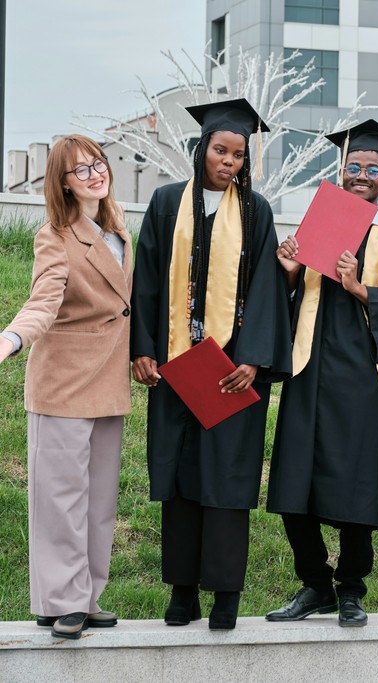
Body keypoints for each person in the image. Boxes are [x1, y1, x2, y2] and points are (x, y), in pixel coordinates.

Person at [130, 98, 292, 630]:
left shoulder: (255, 211)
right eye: (220, 151)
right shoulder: (163, 203)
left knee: (226, 482)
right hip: (177, 367)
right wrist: (144, 346)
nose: (228, 162)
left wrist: (253, 359)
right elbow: (148, 279)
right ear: (202, 149)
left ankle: (225, 597)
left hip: (228, 371)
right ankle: (181, 592)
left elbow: (267, 289)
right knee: (179, 480)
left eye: (238, 155)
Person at [265, 120, 378, 627]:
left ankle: (351, 588)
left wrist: (359, 287)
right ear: (342, 170)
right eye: (353, 167)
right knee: (294, 488)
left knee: (356, 490)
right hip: (309, 369)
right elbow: (280, 298)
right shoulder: (319, 219)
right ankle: (314, 585)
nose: (361, 175)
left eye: (371, 169)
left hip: (363, 379)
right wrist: (288, 272)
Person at [1, 135, 132, 640]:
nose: (95, 173)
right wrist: (11, 337)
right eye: (81, 170)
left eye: (98, 163)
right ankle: (61, 600)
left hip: (108, 382)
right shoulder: (53, 236)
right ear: (63, 183)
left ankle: (87, 596)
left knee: (98, 501)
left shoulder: (118, 227)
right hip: (62, 382)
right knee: (60, 498)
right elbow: (44, 300)